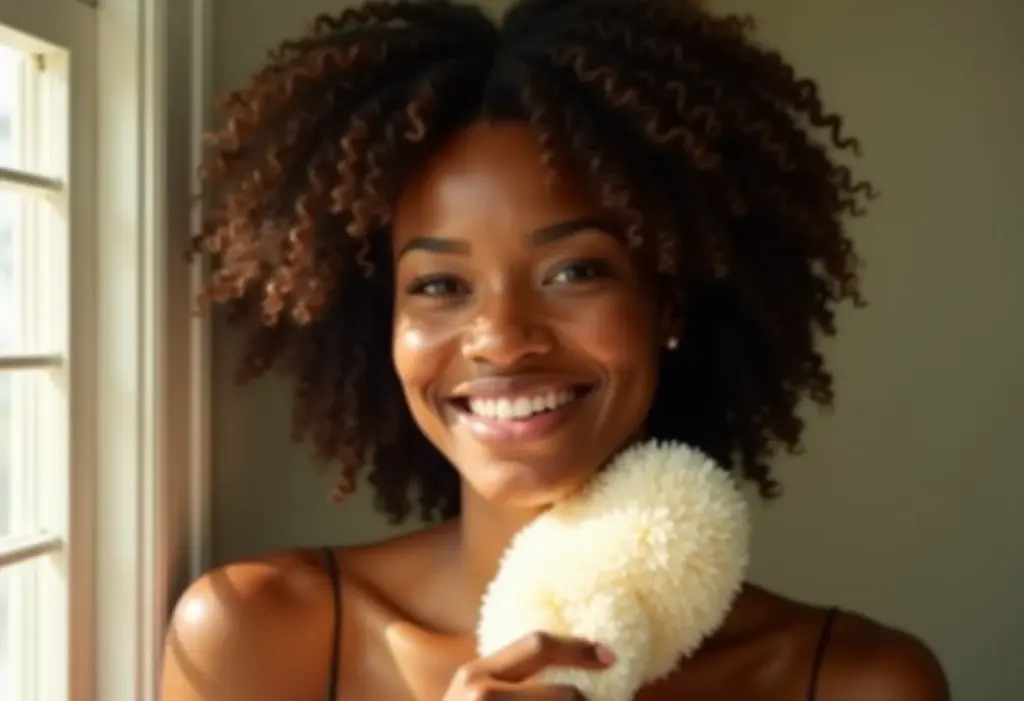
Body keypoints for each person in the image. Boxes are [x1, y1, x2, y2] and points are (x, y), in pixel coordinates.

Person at [161, 1, 950, 699]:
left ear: (667, 301)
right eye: (439, 285)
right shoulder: (255, 637)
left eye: (574, 270)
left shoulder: (853, 683)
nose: (502, 337)